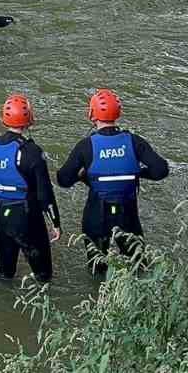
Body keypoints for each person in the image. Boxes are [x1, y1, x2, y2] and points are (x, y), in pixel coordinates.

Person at [56, 89, 169, 276]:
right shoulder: (134, 141)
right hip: (128, 216)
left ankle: (102, 302)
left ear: (91, 114)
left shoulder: (86, 146)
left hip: (96, 216)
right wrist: (136, 172)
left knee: (98, 270)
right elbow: (161, 170)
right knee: (138, 267)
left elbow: (63, 180)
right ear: (118, 113)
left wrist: (85, 176)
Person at [0, 94, 61, 285]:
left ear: (4, 118)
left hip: (1, 212)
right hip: (26, 215)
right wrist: (55, 222)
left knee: (4, 274)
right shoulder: (32, 151)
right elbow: (44, 193)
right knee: (43, 276)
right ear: (29, 120)